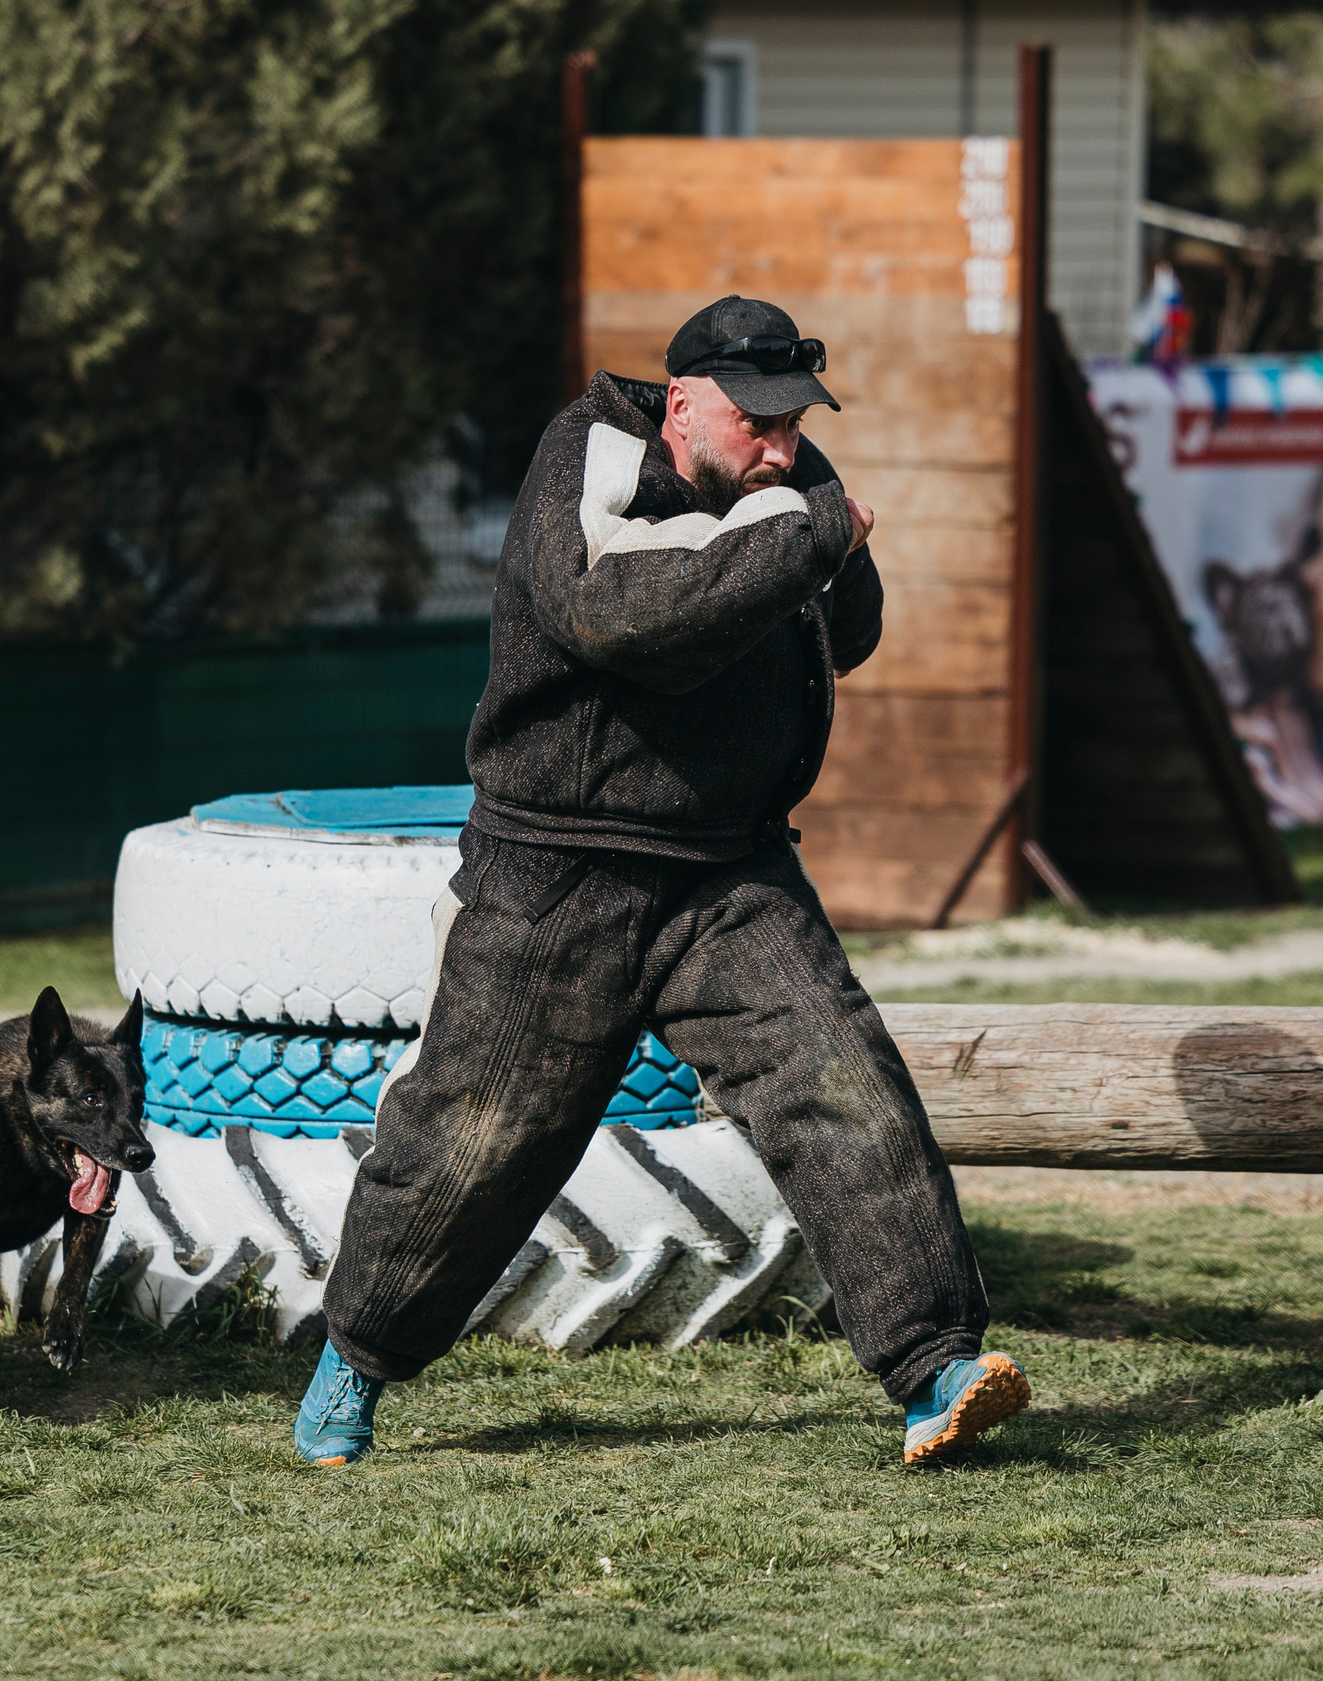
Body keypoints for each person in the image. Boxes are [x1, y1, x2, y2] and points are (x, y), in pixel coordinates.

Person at [291, 296, 1027, 1469]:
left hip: (729, 871)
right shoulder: (584, 460)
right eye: (756, 424)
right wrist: (804, 534)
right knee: (473, 1144)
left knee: (847, 1087)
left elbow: (845, 634)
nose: (780, 448)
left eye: (795, 425)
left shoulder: (785, 479)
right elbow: (608, 612)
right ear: (682, 404)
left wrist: (828, 545)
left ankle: (934, 1368)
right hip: (558, 872)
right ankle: (356, 1361)